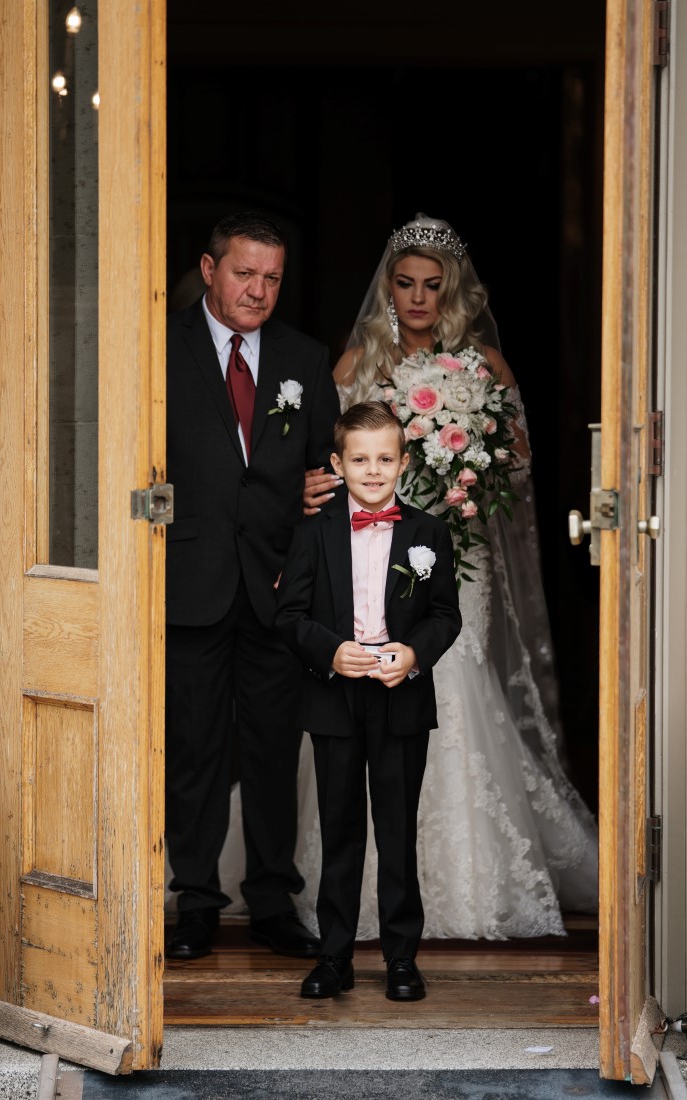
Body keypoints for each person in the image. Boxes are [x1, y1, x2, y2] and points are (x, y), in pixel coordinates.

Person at [297, 213, 599, 940]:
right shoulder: (358, 362)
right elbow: (328, 461)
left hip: (457, 550)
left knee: (454, 681)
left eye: (432, 286)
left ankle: (468, 881)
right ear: (388, 287)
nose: (418, 298)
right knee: (365, 684)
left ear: (452, 290)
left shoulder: (484, 364)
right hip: (372, 555)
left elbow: (519, 464)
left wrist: (467, 457)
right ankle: (357, 891)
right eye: (405, 284)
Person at [164, 211, 340, 960]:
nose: (258, 291)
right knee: (194, 752)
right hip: (189, 582)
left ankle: (272, 902)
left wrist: (296, 558)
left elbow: (327, 476)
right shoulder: (158, 348)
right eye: (244, 273)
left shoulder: (305, 357)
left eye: (272, 278)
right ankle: (197, 902)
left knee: (273, 751)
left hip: (276, 586)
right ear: (209, 270)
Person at [274, 401, 462, 999]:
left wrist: (413, 654)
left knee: (397, 830)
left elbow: (445, 615)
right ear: (338, 464)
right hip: (334, 698)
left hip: (399, 698)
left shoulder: (428, 533)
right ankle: (334, 956)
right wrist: (330, 652)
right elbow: (289, 615)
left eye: (384, 459)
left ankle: (401, 958)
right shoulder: (313, 532)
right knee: (341, 830)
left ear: (403, 463)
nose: (373, 471)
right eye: (360, 460)